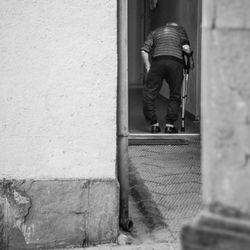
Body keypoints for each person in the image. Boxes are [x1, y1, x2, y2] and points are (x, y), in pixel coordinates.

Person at [141, 22, 194, 133]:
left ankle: (154, 125)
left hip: (158, 62)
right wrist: (189, 53)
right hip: (175, 64)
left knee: (149, 93)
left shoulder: (155, 32)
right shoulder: (180, 30)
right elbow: (186, 48)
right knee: (175, 95)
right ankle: (169, 126)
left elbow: (144, 50)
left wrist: (148, 66)